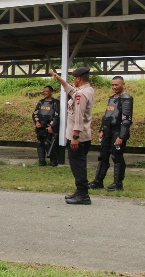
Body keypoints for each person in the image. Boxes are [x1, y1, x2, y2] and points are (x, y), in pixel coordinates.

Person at [51, 67, 95, 205]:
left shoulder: (81, 95)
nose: (73, 81)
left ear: (78, 79)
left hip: (78, 138)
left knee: (77, 165)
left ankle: (83, 194)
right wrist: (59, 79)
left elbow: (78, 116)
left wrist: (75, 136)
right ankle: (80, 191)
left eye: (74, 79)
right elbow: (70, 89)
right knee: (79, 164)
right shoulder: (88, 90)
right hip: (85, 136)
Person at [88, 76, 133, 191]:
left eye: (116, 85)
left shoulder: (126, 98)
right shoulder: (111, 98)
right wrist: (102, 130)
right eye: (112, 85)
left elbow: (126, 119)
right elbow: (107, 115)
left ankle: (118, 184)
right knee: (103, 155)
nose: (114, 87)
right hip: (107, 130)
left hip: (118, 131)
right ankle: (98, 181)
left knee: (116, 156)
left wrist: (121, 136)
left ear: (123, 84)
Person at [32, 85, 60, 166]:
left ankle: (53, 162)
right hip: (41, 128)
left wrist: (52, 126)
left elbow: (57, 116)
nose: (45, 92)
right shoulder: (41, 102)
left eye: (46, 91)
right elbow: (35, 113)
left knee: (48, 144)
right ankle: (41, 162)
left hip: (50, 128)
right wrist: (37, 122)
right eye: (44, 91)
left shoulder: (55, 103)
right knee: (40, 144)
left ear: (51, 92)